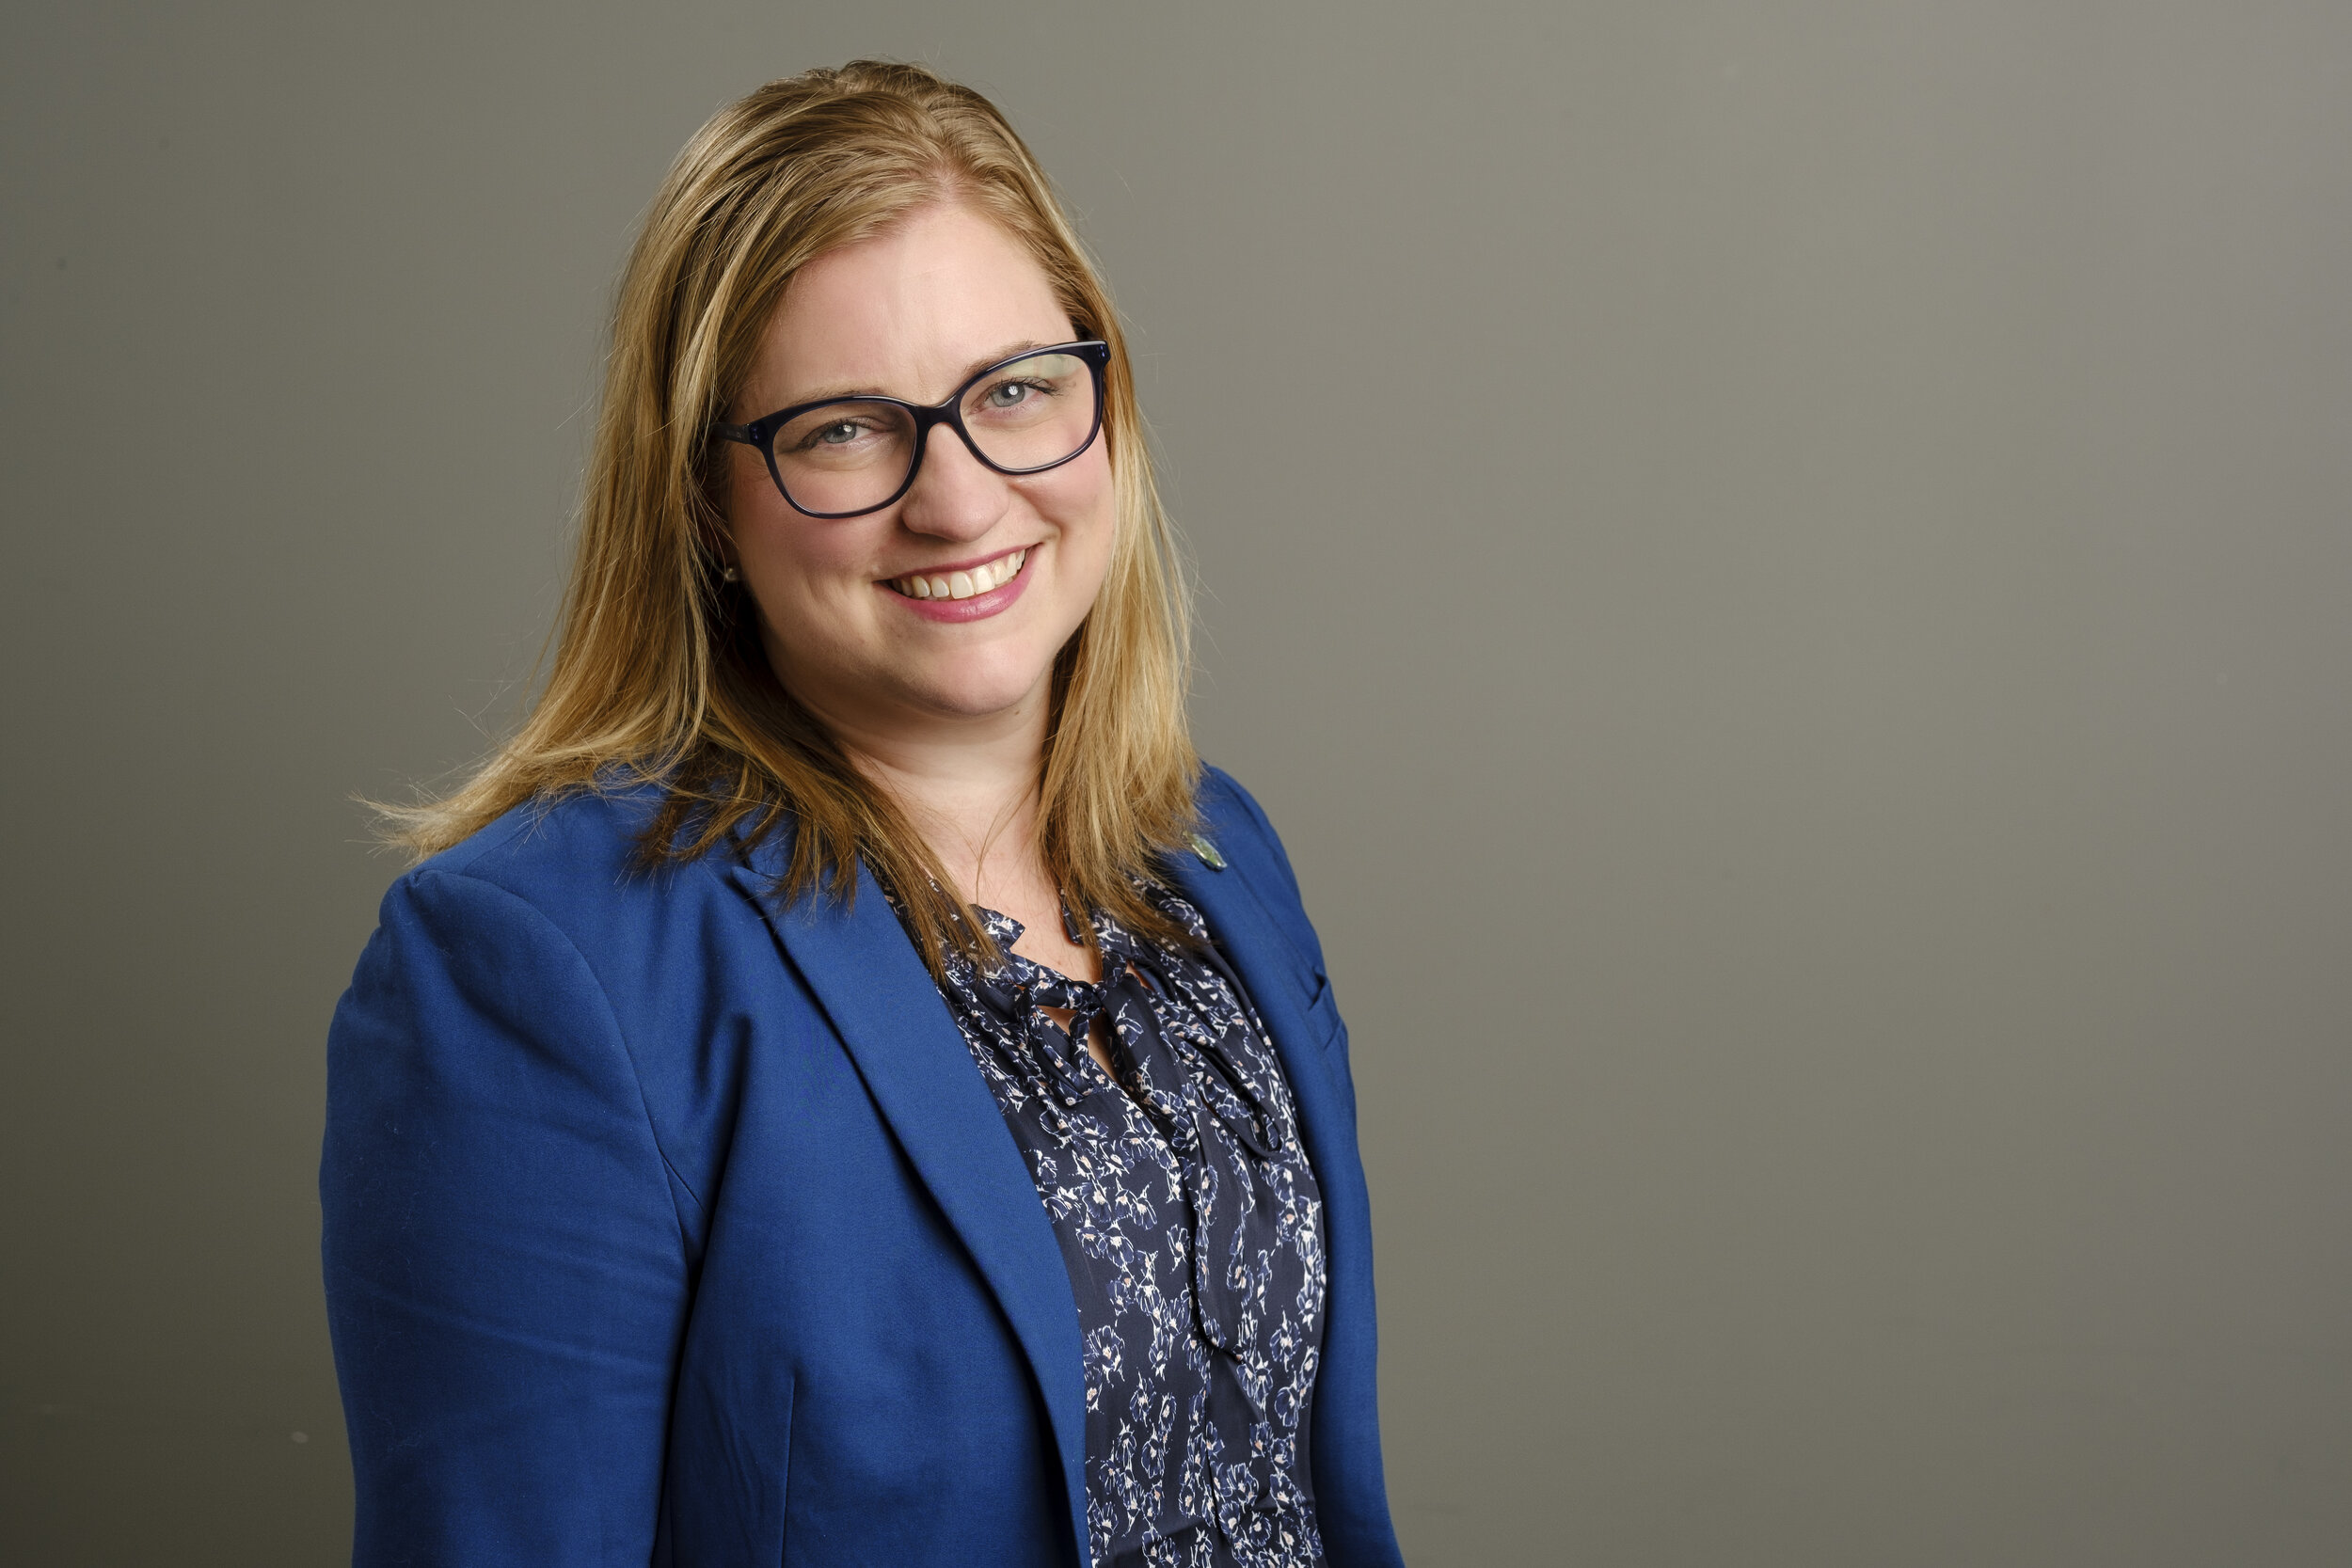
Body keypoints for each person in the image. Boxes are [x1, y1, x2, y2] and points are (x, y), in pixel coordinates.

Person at [322, 60, 1403, 1568]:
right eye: (844, 430)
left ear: (1106, 408)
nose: (957, 500)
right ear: (705, 500)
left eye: (1016, 390)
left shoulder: (1209, 852)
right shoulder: (537, 967)